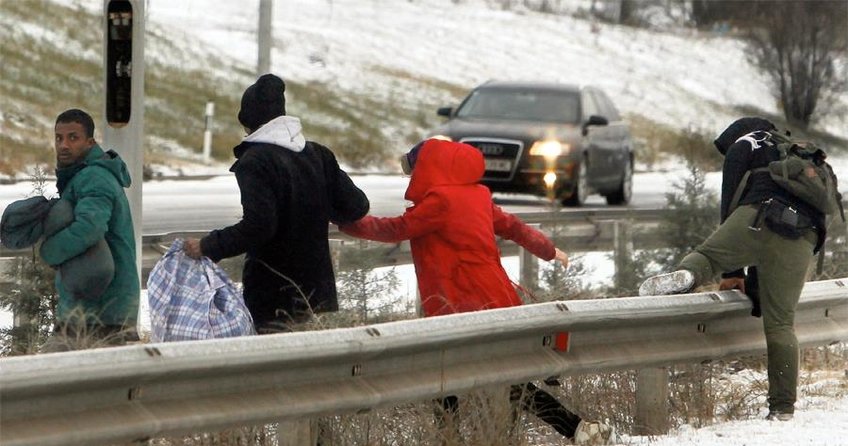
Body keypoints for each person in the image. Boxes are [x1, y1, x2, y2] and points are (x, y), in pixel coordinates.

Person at [339, 138, 612, 444]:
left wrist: (347, 224)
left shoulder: (439, 203)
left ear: (428, 167)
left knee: (448, 378)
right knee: (495, 379)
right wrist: (549, 251)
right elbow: (514, 227)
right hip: (495, 297)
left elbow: (395, 229)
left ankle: (452, 437)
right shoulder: (478, 195)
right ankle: (576, 428)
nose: (409, 176)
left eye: (411, 168)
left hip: (461, 303)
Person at [638, 117, 827, 421]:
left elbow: (730, 206)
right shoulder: (791, 150)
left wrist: (733, 273)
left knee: (709, 256)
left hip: (758, 214)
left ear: (732, 138)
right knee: (780, 324)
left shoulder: (744, 145)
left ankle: (689, 275)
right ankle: (782, 408)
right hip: (804, 234)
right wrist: (756, 280)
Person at [184, 74, 369, 334]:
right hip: (317, 293)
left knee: (275, 367)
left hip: (272, 295)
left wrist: (207, 245)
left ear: (249, 122)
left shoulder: (255, 162)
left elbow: (260, 226)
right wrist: (314, 203)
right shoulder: (318, 154)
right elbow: (356, 206)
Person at [39, 108, 139, 351]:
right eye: (59, 138)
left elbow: (89, 227)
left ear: (90, 142)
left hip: (103, 312)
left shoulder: (94, 177)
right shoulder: (83, 176)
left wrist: (49, 252)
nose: (63, 145)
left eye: (73, 137)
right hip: (94, 309)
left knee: (49, 378)